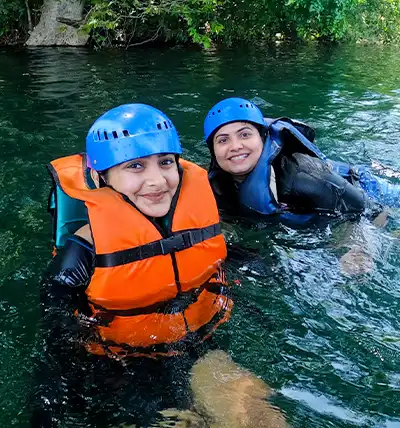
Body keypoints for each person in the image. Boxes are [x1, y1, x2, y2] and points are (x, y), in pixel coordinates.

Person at [31, 103, 288, 428]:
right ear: (100, 176)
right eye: (135, 166)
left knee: (255, 416)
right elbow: (56, 334)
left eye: (166, 162)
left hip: (198, 344)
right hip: (121, 364)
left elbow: (220, 255)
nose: (157, 181)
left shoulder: (196, 220)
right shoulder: (83, 250)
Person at [203, 97, 400, 224]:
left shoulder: (303, 177)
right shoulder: (213, 184)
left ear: (263, 139)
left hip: (362, 187)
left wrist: (361, 249)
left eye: (245, 135)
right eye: (223, 140)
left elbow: (374, 211)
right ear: (213, 151)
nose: (235, 146)